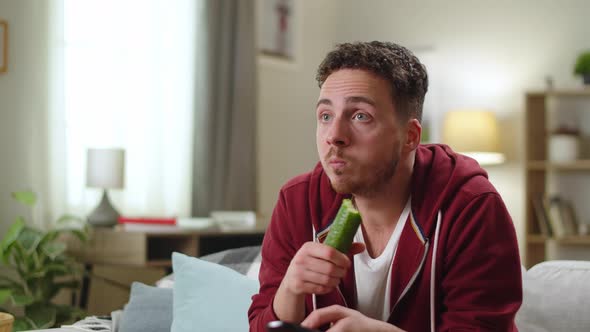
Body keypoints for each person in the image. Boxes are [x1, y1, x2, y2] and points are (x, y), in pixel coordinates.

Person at [248, 41, 522, 332]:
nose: (334, 136)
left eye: (360, 116)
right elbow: (259, 325)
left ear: (410, 136)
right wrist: (290, 290)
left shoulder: (471, 206)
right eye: (325, 116)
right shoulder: (298, 203)